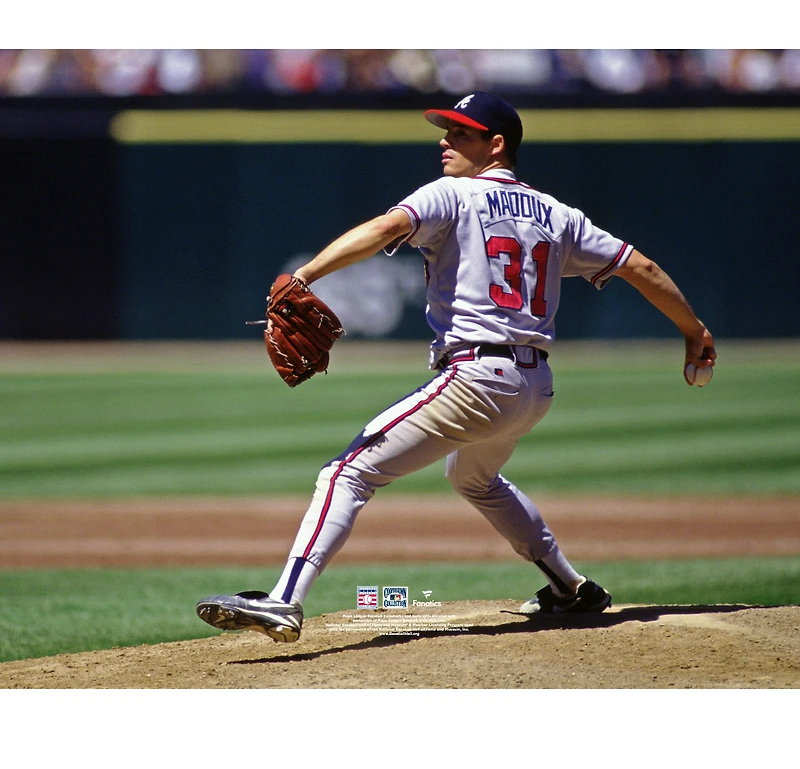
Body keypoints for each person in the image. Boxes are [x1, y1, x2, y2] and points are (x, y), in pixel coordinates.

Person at [196, 91, 717, 643]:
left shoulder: (452, 194)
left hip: (476, 376)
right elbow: (642, 266)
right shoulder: (559, 215)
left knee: (346, 473)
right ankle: (571, 587)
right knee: (474, 476)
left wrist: (306, 275)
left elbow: (381, 230)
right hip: (535, 387)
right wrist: (694, 331)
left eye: (461, 134)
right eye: (446, 132)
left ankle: (284, 601)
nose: (446, 142)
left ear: (497, 145)